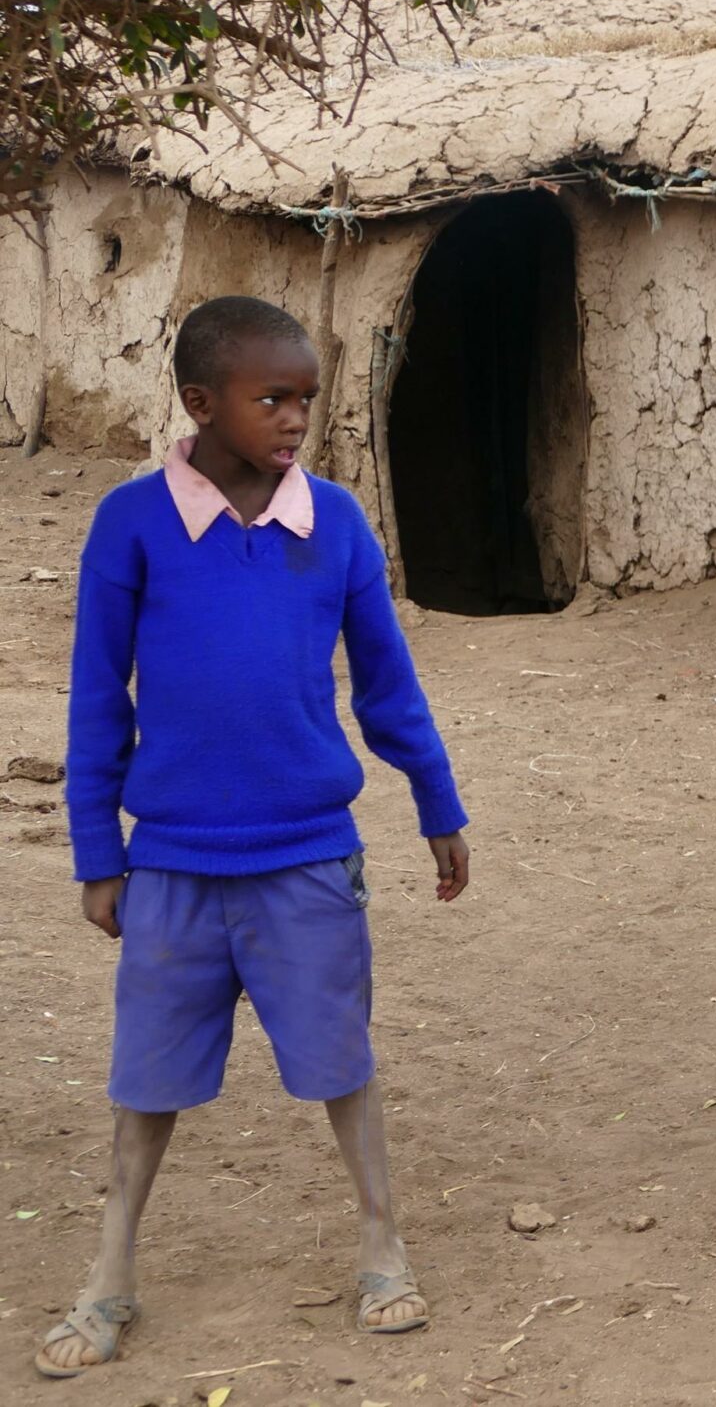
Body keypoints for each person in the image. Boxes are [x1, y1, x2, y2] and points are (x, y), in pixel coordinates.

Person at [42, 297, 472, 1378]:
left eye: (305, 400)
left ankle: (383, 1249)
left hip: (308, 856)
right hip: (174, 862)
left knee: (341, 1062)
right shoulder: (131, 524)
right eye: (271, 398)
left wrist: (436, 799)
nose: (294, 420)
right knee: (145, 1081)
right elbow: (99, 699)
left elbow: (386, 683)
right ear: (200, 403)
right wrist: (99, 849)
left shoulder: (335, 524)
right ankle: (108, 1276)